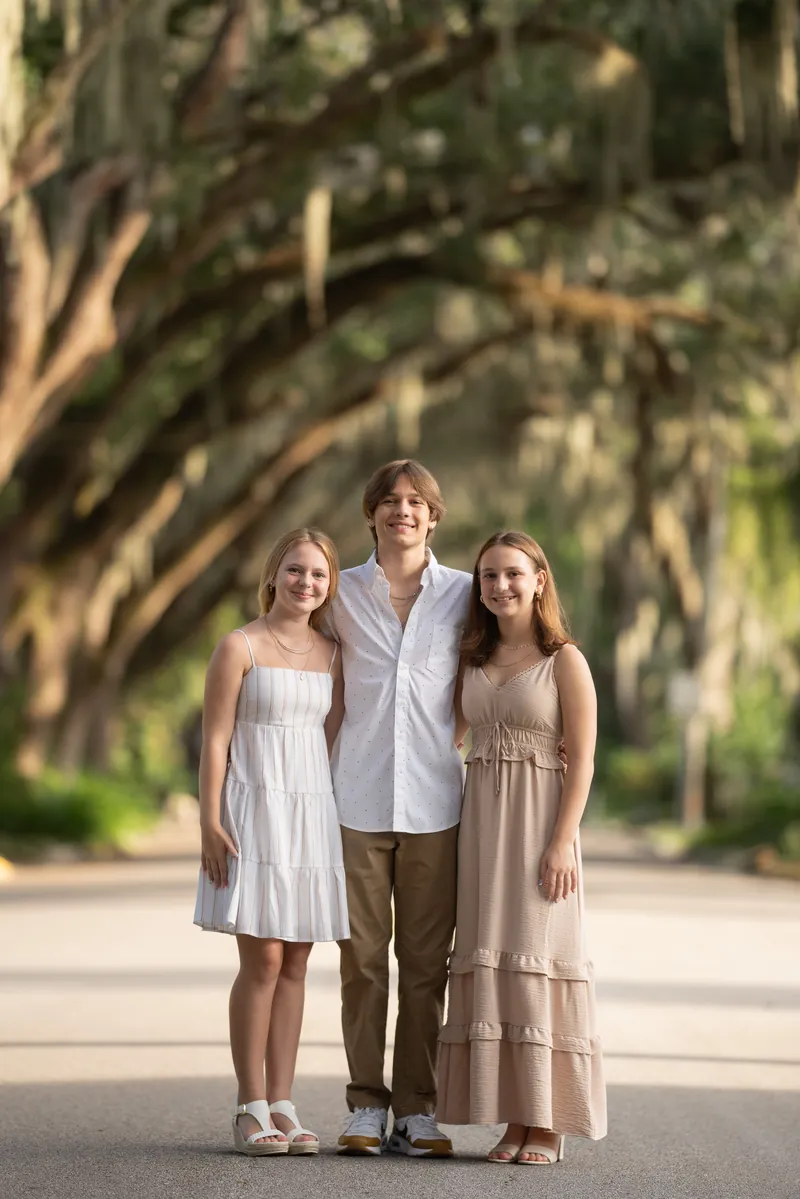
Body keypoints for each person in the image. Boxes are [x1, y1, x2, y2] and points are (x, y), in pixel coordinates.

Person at [437, 530, 607, 1163]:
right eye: (488, 576)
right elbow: (443, 736)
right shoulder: (471, 659)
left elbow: (585, 760)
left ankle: (549, 1123)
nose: (500, 586)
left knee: (538, 959)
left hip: (541, 829)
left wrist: (562, 841)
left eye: (513, 574)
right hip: (481, 829)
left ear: (539, 579)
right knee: (495, 962)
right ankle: (515, 1120)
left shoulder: (565, 661)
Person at [326, 460, 471, 1157]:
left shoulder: (466, 595)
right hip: (354, 797)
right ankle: (364, 1105)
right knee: (361, 959)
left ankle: (417, 1107)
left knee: (424, 964)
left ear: (434, 515)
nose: (402, 511)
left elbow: (507, 665)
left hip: (437, 802)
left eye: (415, 501)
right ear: (372, 514)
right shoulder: (341, 592)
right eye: (389, 500)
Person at [194, 528, 350, 1157]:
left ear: (329, 583)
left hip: (310, 813)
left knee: (296, 962)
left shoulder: (335, 653)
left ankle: (284, 1105)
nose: (305, 583)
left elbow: (334, 737)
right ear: (273, 574)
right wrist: (209, 818)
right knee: (260, 960)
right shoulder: (239, 647)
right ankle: (249, 1105)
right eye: (294, 570)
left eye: (317, 574)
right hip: (251, 809)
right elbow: (213, 739)